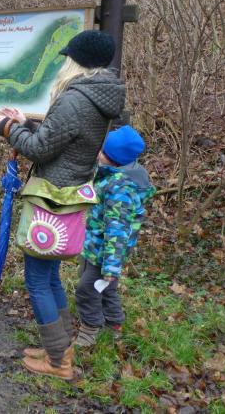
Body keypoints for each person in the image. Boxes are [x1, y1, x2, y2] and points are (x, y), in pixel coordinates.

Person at [0, 29, 125, 379]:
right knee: (50, 277)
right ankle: (59, 347)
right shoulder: (97, 97)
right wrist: (23, 123)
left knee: (38, 280)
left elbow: (40, 149)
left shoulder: (75, 100)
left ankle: (58, 361)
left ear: (77, 62)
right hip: (68, 197)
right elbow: (60, 140)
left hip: (51, 200)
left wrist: (6, 129)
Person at [74, 125, 154, 346]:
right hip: (95, 247)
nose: (98, 153)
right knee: (106, 289)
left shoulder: (120, 188)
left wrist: (110, 266)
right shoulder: (111, 175)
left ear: (114, 159)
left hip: (106, 253)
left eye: (103, 151)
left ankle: (89, 332)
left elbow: (117, 230)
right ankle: (114, 324)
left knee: (86, 290)